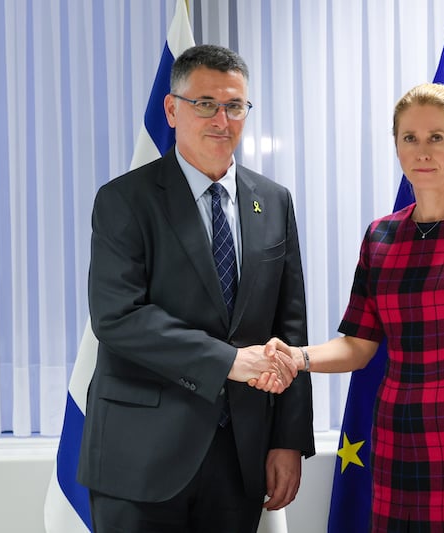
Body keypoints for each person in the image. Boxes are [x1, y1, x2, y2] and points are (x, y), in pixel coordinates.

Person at [265, 82, 444, 532]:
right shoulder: (380, 236)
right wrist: (297, 357)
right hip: (397, 433)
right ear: (396, 146)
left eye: (436, 137)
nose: (422, 151)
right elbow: (358, 345)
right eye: (410, 138)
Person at [77, 44, 314, 532]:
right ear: (172, 109)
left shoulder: (274, 202)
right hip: (139, 458)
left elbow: (290, 328)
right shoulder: (124, 200)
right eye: (205, 103)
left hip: (240, 459)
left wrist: (288, 440)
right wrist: (228, 361)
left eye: (234, 106)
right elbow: (118, 316)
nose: (221, 120)